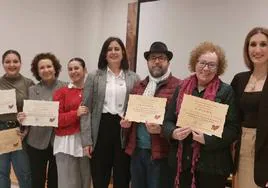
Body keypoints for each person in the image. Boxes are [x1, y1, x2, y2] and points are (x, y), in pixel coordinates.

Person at [163, 41, 239, 188]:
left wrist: (207, 139)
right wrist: (173, 133)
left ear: (218, 68)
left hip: (212, 167)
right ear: (194, 63)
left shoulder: (226, 91)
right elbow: (168, 121)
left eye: (211, 65)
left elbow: (233, 129)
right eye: (202, 63)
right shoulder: (182, 88)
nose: (206, 68)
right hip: (182, 164)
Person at [120, 41, 181, 188]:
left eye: (161, 58)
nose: (157, 61)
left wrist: (162, 130)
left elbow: (182, 122)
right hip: (137, 152)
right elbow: (129, 116)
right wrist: (126, 124)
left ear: (168, 61)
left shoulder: (179, 86)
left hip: (162, 154)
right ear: (148, 62)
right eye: (153, 58)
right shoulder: (139, 86)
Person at [81, 36, 140, 188]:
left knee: (122, 177)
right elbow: (85, 110)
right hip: (100, 129)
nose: (113, 52)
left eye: (117, 49)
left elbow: (136, 107)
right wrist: (86, 141)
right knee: (100, 177)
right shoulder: (94, 76)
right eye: (109, 49)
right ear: (104, 54)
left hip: (123, 130)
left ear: (123, 53)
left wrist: (130, 118)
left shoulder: (133, 77)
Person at [17, 53, 66, 188]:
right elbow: (27, 115)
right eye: (42, 68)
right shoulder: (32, 90)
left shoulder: (66, 87)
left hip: (59, 141)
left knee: (55, 180)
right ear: (37, 71)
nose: (46, 70)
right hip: (36, 141)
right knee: (37, 179)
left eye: (49, 66)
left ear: (55, 68)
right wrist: (22, 119)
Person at [231, 27, 268, 188]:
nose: (257, 50)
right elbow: (231, 116)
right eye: (252, 44)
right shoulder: (239, 79)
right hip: (242, 149)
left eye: (264, 44)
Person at [53, 57, 91, 188]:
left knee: (85, 181)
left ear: (85, 70)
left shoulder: (91, 91)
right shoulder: (62, 92)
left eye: (77, 68)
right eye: (70, 69)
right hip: (66, 142)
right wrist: (76, 113)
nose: (73, 71)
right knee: (67, 183)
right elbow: (56, 119)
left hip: (86, 142)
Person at [0, 50, 34, 188]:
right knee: (1, 172)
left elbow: (33, 110)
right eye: (8, 61)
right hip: (1, 131)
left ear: (20, 63)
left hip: (20, 132)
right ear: (3, 64)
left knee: (24, 172)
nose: (12, 64)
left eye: (15, 61)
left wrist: (26, 130)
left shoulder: (28, 83)